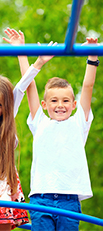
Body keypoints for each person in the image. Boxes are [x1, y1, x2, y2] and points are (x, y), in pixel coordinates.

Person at [7, 28, 99, 230]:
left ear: (74, 105)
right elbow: (29, 85)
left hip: (69, 199)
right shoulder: (40, 121)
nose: (60, 105)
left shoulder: (78, 122)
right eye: (54, 100)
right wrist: (21, 51)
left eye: (66, 100)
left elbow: (87, 86)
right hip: (41, 198)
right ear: (44, 104)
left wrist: (93, 58)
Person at [0, 28, 53, 231]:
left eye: (0, 105)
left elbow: (21, 87)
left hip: (4, 177)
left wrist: (38, 63)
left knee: (4, 226)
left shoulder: (6, 120)